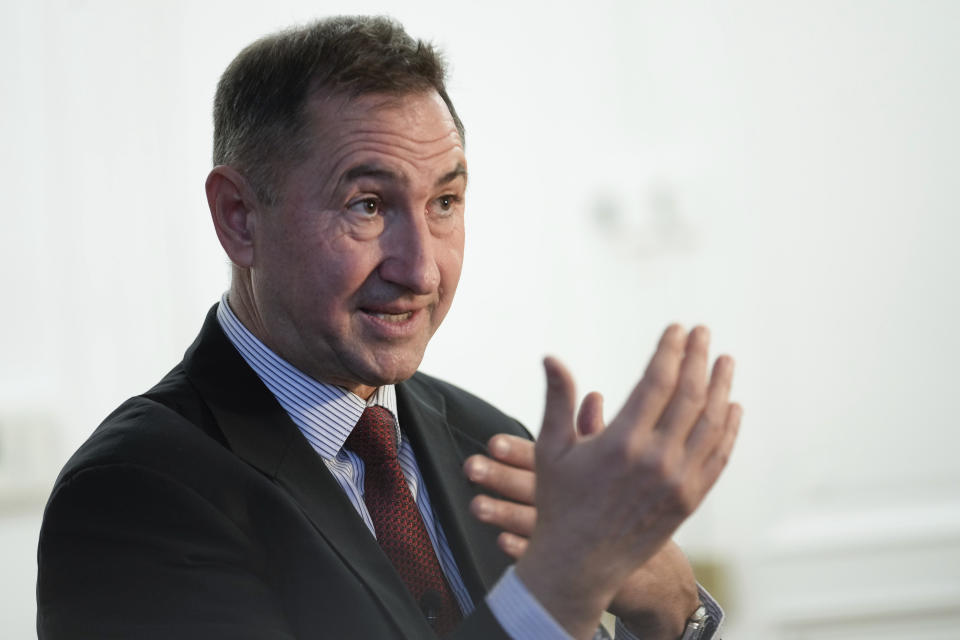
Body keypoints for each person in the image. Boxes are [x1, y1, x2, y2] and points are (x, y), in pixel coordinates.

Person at [36, 15, 740, 640]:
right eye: (368, 205)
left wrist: (674, 612)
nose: (423, 270)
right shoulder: (133, 496)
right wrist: (563, 588)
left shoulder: (492, 446)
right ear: (240, 218)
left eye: (445, 201)